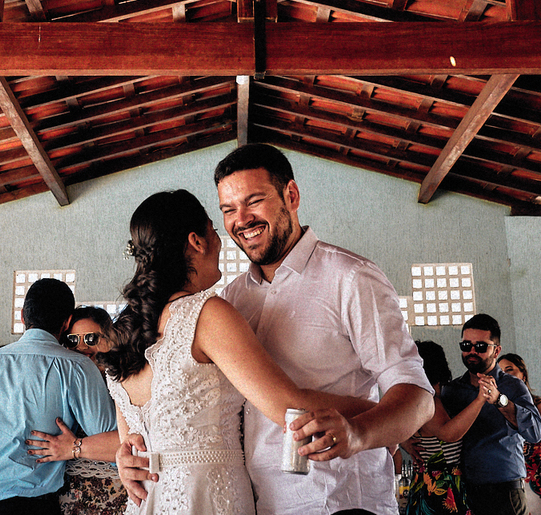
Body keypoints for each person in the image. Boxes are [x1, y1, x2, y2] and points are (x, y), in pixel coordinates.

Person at [103, 189, 390, 515]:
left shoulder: (122, 334)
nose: (221, 240)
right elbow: (287, 406)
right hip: (210, 494)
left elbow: (131, 444)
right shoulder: (206, 313)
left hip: (149, 499)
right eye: (214, 230)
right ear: (197, 241)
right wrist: (375, 411)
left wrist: (122, 458)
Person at [211, 144, 434, 515]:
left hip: (340, 501)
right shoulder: (231, 299)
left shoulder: (351, 277)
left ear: (291, 196)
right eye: (228, 210)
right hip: (260, 504)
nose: (242, 220)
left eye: (254, 201)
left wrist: (359, 434)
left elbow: (418, 398)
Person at [0, 278, 118, 515]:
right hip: (26, 505)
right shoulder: (74, 367)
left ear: (22, 317)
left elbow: (0, 438)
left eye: (91, 338)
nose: (83, 346)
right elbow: (118, 443)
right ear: (67, 323)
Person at [438, 314, 541, 515]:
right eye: (466, 345)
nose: (471, 351)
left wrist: (500, 400)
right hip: (462, 490)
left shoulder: (512, 385)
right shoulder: (451, 391)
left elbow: (536, 433)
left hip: (505, 489)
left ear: (497, 351)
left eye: (480, 347)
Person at [37, 305, 127, 515]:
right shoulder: (60, 384)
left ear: (109, 339)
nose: (81, 347)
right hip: (67, 497)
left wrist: (75, 447)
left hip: (115, 493)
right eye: (72, 340)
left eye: (90, 339)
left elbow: (132, 441)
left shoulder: (124, 383)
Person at [401, 341, 494, 515]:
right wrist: (480, 400)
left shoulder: (422, 398)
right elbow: (448, 434)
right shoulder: (428, 400)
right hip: (440, 488)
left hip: (434, 485)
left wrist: (403, 441)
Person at [498, 354, 541, 515]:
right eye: (501, 372)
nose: (505, 376)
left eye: (509, 370)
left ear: (523, 375)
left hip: (537, 485)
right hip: (506, 486)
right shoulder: (496, 408)